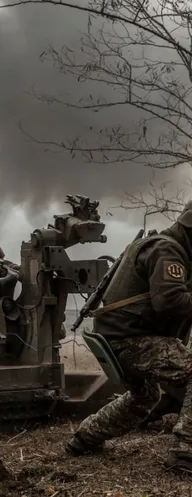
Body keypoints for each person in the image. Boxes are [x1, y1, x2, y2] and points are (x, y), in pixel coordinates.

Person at [66, 203, 192, 473]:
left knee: (143, 397)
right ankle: (185, 452)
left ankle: (85, 437)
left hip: (118, 337)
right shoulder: (167, 250)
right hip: (130, 340)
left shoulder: (155, 244)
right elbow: (170, 302)